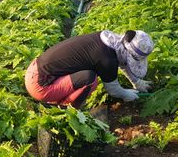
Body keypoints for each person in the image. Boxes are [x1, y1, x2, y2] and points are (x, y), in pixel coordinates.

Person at [25, 30, 154, 108]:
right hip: (40, 85)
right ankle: (64, 109)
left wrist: (136, 82)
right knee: (90, 79)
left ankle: (61, 100)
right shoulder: (107, 59)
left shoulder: (108, 41)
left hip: (34, 69)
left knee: (87, 76)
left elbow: (123, 60)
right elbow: (113, 89)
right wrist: (126, 94)